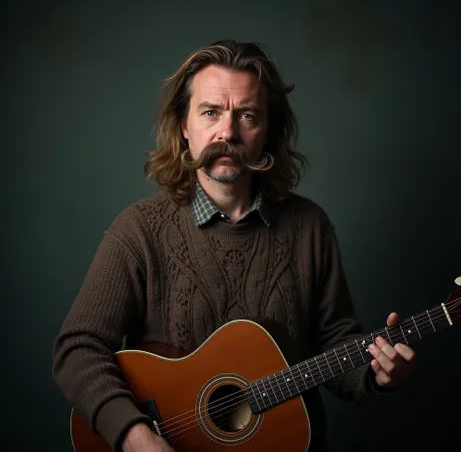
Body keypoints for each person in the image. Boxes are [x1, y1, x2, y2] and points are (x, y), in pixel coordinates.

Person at [52, 39, 415, 452]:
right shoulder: (139, 230)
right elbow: (78, 349)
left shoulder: (310, 227)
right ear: (184, 126)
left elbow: (333, 343)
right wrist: (133, 435)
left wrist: (375, 374)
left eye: (246, 115)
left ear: (267, 131)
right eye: (210, 113)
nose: (227, 132)